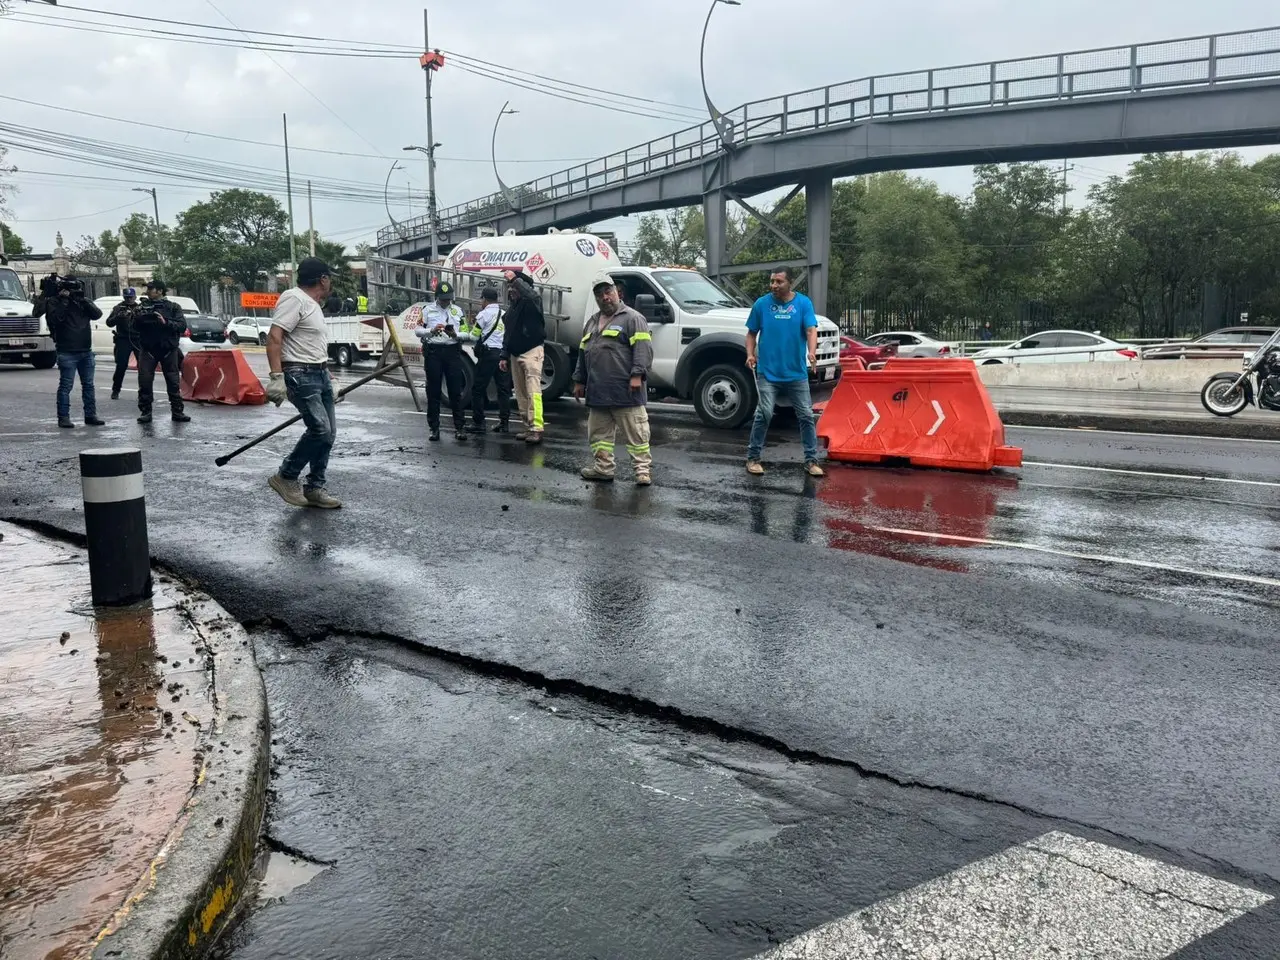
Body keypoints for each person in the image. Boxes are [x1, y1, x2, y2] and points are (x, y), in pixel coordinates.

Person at [265, 257, 342, 509]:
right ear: (323, 279)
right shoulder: (294, 298)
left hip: (318, 373)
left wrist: (327, 373)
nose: (329, 281)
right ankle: (285, 476)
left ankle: (314, 488)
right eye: (329, 277)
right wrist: (277, 377)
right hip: (300, 374)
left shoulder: (313, 304)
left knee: (328, 435)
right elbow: (275, 337)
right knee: (320, 430)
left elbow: (310, 345)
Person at [573, 274, 653, 486]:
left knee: (637, 434)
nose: (605, 297)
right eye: (599, 294)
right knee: (599, 436)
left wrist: (637, 375)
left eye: (608, 292)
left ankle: (642, 472)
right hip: (598, 392)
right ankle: (603, 469)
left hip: (626, 391)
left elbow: (643, 350)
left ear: (618, 292)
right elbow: (583, 353)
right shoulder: (591, 322)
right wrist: (579, 381)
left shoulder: (633, 318)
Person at [744, 267, 824, 478]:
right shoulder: (762, 304)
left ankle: (811, 461)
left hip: (796, 373)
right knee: (765, 413)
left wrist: (812, 352)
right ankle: (753, 457)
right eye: (772, 281)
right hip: (768, 372)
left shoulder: (803, 303)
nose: (774, 286)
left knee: (806, 415)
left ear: (790, 283)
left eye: (778, 281)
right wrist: (750, 354)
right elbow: (751, 333)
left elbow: (810, 330)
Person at [34, 274, 103, 429]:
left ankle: (90, 415)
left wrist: (83, 300)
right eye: (70, 288)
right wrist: (64, 301)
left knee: (89, 385)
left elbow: (97, 314)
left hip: (86, 350)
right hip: (67, 351)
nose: (73, 291)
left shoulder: (82, 301)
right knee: (66, 386)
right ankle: (63, 417)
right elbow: (54, 319)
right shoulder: (55, 301)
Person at [415, 281, 469, 443]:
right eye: (443, 299)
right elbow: (418, 331)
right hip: (434, 352)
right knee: (434, 391)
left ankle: (459, 428)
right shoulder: (427, 311)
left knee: (455, 391)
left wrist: (455, 335)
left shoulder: (458, 311)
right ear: (437, 297)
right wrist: (431, 331)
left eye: (448, 299)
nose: (446, 302)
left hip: (452, 352)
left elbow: (466, 333)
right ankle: (434, 428)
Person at [498, 269, 547, 444]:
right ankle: (528, 427)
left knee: (533, 391)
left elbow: (532, 295)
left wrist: (515, 279)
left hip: (532, 351)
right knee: (520, 393)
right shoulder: (513, 308)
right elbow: (508, 333)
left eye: (514, 287)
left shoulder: (532, 302)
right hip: (515, 353)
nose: (511, 290)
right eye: (509, 287)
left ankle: (537, 428)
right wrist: (504, 355)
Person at [134, 280, 191, 425]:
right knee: (145, 382)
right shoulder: (142, 306)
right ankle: (146, 412)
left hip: (168, 349)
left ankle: (177, 411)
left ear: (160, 291)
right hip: (148, 349)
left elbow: (182, 326)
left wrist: (165, 322)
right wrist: (138, 316)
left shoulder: (173, 307)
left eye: (151, 289)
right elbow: (134, 327)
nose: (148, 291)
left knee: (173, 382)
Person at [466, 286, 512, 434]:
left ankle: (479, 423)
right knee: (503, 390)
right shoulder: (505, 314)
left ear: (484, 300)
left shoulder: (483, 315)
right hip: (502, 356)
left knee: (478, 389)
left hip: (488, 355)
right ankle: (504, 423)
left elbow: (474, 336)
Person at [106, 287, 140, 399]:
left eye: (131, 297)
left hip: (138, 339)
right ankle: (116, 390)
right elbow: (109, 323)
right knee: (121, 366)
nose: (129, 299)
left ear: (135, 297)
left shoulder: (140, 307)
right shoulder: (118, 308)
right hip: (123, 339)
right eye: (127, 297)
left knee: (144, 367)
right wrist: (118, 317)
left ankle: (144, 390)